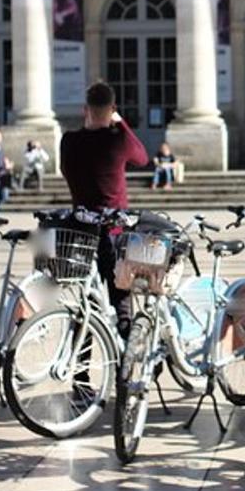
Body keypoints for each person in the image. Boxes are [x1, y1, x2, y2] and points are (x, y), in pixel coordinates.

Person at [60, 81, 150, 339]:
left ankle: (81, 371)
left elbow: (66, 171)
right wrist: (120, 123)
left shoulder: (69, 141)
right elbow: (142, 158)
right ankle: (124, 369)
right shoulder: (118, 139)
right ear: (112, 109)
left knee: (86, 302)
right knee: (121, 302)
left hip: (80, 232)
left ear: (84, 109)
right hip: (114, 232)